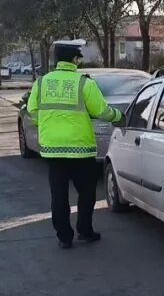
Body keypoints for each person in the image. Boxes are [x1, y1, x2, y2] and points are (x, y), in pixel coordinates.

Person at [27, 40, 123, 249]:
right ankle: (85, 231)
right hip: (80, 150)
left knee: (59, 196)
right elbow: (101, 112)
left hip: (53, 150)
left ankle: (64, 237)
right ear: (74, 59)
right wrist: (119, 117)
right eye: (78, 57)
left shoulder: (42, 83)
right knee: (86, 193)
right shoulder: (83, 83)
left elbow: (32, 111)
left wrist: (47, 123)